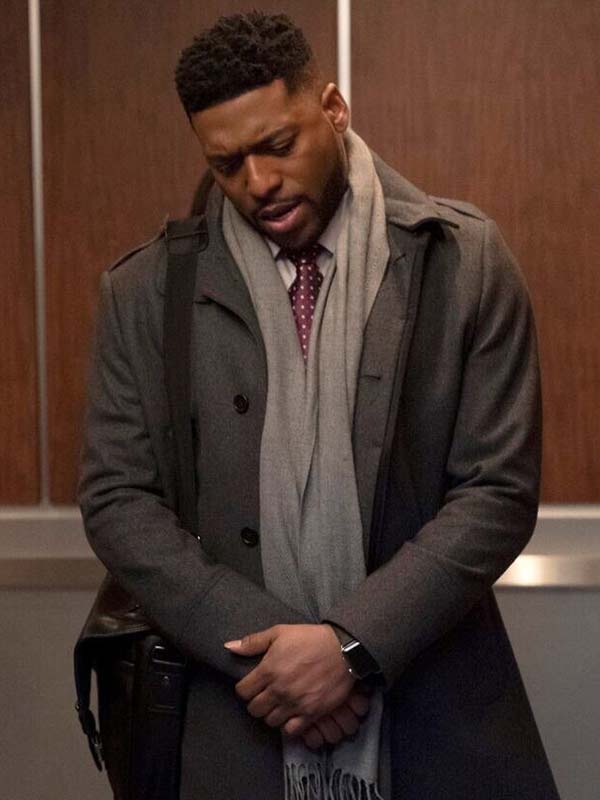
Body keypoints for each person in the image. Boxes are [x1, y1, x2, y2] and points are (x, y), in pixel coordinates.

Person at [78, 11, 560, 800]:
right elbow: (117, 498)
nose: (258, 183)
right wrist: (276, 658)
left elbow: (497, 492)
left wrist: (352, 646)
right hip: (237, 716)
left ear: (333, 109)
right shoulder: (146, 291)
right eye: (227, 163)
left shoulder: (462, 261)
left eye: (278, 145)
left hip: (436, 713)